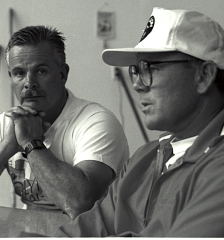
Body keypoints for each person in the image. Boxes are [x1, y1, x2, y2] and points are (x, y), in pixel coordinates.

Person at [23, 7, 224, 237]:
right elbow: (84, 231)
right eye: (135, 70)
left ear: (204, 75)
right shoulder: (147, 157)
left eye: (149, 68)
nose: (138, 84)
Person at [0, 25, 129, 219]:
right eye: (19, 73)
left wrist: (30, 143)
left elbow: (79, 205)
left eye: (41, 71)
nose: (29, 82)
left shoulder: (96, 122)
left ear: (63, 74)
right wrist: (8, 146)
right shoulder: (8, 123)